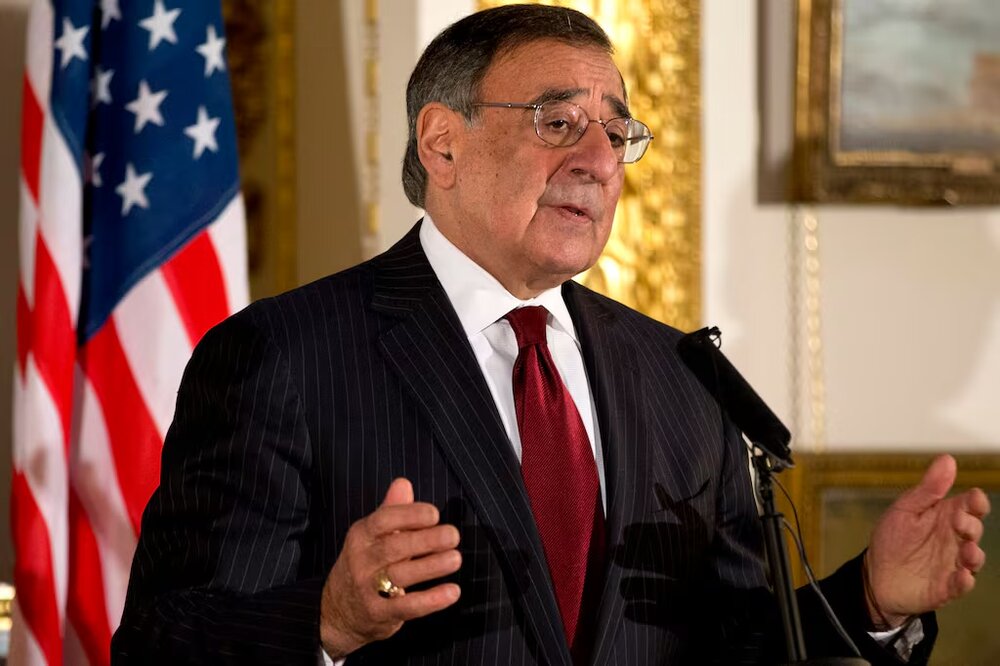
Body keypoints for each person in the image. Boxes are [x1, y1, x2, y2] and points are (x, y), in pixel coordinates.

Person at [112, 5, 989, 665]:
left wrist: (869, 599)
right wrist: (330, 620)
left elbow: (731, 641)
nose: (600, 161)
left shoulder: (680, 375)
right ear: (442, 144)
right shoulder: (284, 356)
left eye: (617, 132)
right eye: (558, 122)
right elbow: (160, 640)